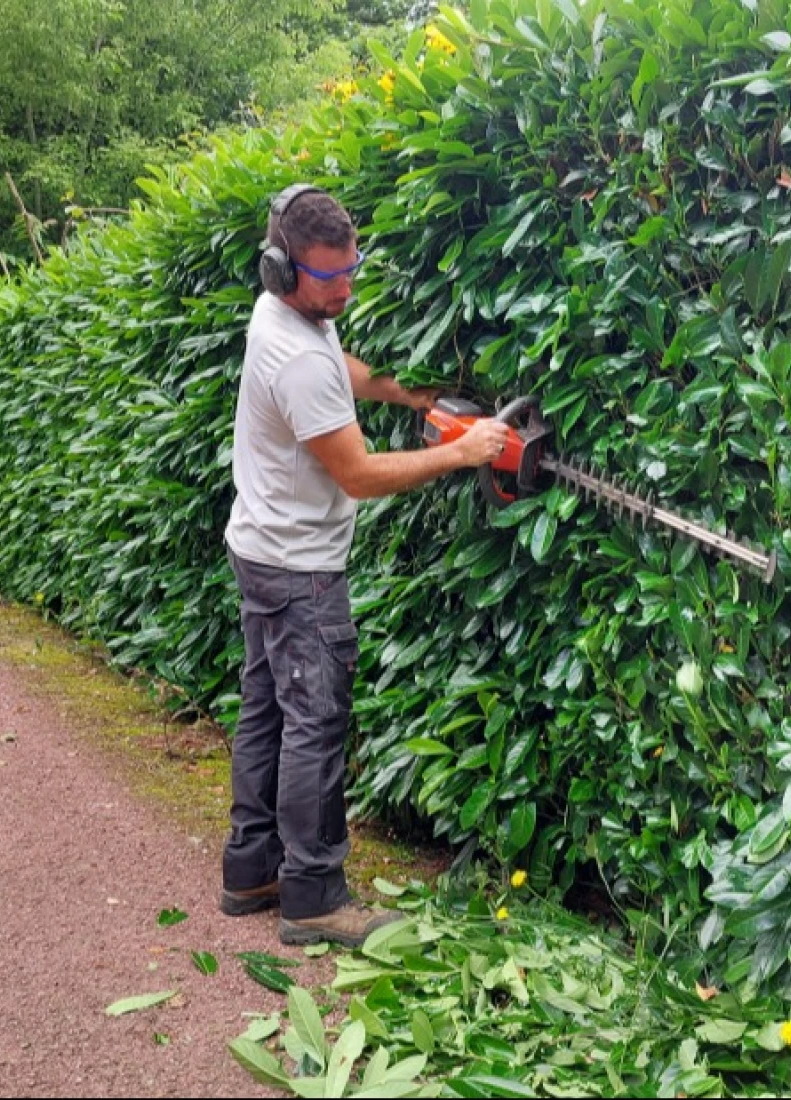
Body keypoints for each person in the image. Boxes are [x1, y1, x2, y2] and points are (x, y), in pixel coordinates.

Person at [221, 184, 509, 946]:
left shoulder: (279, 315)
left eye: (353, 269)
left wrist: (408, 394)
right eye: (330, 277)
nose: (346, 287)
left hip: (258, 545)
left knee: (266, 711)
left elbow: (336, 362)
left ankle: (251, 870)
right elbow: (358, 475)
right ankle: (314, 895)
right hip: (301, 566)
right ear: (285, 271)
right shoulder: (295, 355)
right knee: (315, 722)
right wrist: (458, 452)